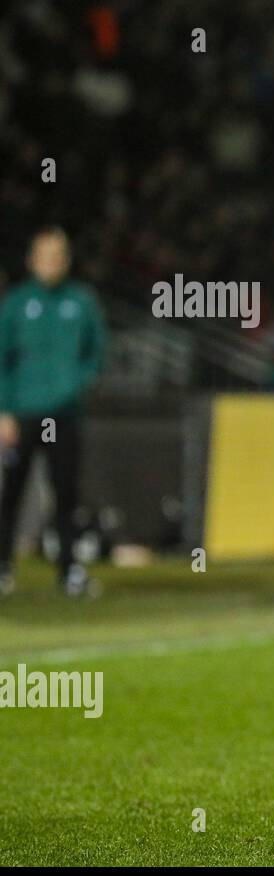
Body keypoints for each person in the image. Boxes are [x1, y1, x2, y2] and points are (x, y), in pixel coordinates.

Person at [0, 227, 107, 598]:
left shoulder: (81, 301)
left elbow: (95, 353)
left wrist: (75, 386)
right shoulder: (16, 302)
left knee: (66, 494)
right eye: (45, 255)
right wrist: (4, 411)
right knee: (10, 492)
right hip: (23, 413)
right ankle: (3, 567)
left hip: (65, 414)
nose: (52, 262)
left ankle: (68, 571)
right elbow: (2, 359)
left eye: (58, 255)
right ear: (31, 260)